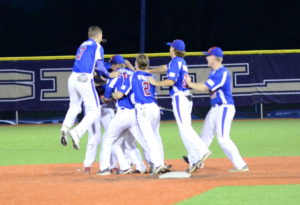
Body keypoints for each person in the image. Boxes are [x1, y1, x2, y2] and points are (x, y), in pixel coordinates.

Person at [148, 39, 211, 173]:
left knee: (185, 129)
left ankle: (202, 150)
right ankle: (194, 159)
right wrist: (149, 70)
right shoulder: (178, 62)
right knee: (184, 130)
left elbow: (171, 81)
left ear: (174, 49)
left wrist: (155, 83)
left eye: (171, 47)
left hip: (180, 97)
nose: (169, 49)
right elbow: (164, 68)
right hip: (186, 97)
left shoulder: (176, 62)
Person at [186, 47, 249, 172]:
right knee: (205, 136)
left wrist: (190, 84)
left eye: (208, 56)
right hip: (215, 109)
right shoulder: (214, 72)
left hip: (224, 108)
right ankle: (197, 161)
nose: (206, 57)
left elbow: (205, 87)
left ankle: (241, 165)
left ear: (214, 58)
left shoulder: (222, 72)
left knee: (223, 139)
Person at [60, 26, 117, 150]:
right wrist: (108, 74)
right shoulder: (97, 46)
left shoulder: (82, 45)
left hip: (73, 77)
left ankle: (65, 127)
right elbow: (100, 66)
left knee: (74, 106)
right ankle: (76, 133)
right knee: (95, 110)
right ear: (98, 36)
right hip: (84, 78)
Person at [98, 55, 147, 175]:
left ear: (114, 65)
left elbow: (108, 96)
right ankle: (147, 165)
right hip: (136, 113)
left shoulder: (114, 76)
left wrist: (106, 98)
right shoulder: (133, 73)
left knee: (109, 140)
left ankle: (105, 168)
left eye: (112, 65)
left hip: (123, 114)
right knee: (137, 142)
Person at [131, 54, 169, 174]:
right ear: (147, 65)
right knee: (156, 136)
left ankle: (158, 164)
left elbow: (135, 74)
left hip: (143, 109)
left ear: (137, 64)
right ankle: (161, 162)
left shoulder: (134, 75)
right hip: (154, 107)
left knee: (149, 139)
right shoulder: (150, 75)